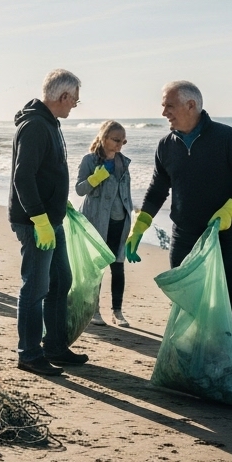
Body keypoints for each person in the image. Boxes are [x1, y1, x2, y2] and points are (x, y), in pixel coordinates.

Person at [126, 80, 232, 342]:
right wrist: (140, 224)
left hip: (223, 234)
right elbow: (157, 190)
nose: (164, 112)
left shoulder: (226, 138)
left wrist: (230, 209)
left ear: (191, 105)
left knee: (226, 297)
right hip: (184, 235)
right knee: (185, 297)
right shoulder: (166, 145)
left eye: (169, 106)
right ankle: (190, 354)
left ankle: (228, 361)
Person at [9, 69, 86, 376]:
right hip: (34, 222)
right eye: (75, 100)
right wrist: (40, 218)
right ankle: (28, 353)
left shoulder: (48, 122)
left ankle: (53, 344)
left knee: (61, 280)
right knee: (36, 286)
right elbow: (22, 176)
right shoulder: (35, 125)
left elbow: (46, 172)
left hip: (51, 218)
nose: (75, 105)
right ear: (63, 96)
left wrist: (58, 201)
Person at [74, 120, 133, 327]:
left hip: (120, 222)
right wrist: (96, 177)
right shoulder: (90, 160)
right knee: (96, 268)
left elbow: (126, 194)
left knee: (118, 266)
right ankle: (94, 310)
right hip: (96, 221)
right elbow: (80, 190)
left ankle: (118, 312)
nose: (120, 145)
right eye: (116, 140)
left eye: (123, 141)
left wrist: (132, 222)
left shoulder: (124, 162)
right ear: (104, 137)